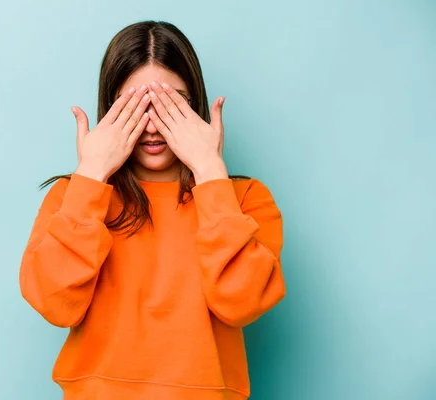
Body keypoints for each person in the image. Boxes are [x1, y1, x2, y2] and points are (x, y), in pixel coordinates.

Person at [19, 20, 286, 400]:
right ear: (109, 107)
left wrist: (210, 171)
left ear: (195, 105)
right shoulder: (73, 196)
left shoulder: (243, 198)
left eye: (171, 103)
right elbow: (54, 303)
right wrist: (92, 174)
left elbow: (242, 303)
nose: (153, 125)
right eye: (134, 105)